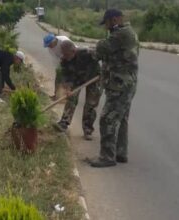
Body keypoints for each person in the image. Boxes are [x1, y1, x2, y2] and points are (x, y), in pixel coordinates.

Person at [89, 9, 139, 168]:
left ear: (116, 19)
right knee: (121, 118)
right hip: (126, 83)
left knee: (107, 118)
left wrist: (93, 49)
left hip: (120, 84)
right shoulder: (128, 32)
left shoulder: (121, 34)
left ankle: (107, 157)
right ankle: (120, 153)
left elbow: (101, 50)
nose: (106, 27)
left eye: (108, 23)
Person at [52, 40, 102, 140]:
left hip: (94, 77)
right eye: (63, 54)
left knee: (91, 104)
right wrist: (68, 88)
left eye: (67, 54)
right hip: (77, 80)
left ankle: (88, 130)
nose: (65, 56)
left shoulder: (86, 52)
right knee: (71, 99)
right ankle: (64, 123)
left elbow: (103, 55)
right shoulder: (64, 60)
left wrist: (106, 70)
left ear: (73, 51)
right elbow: (66, 76)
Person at [43, 33, 75, 99]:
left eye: (50, 44)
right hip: (62, 60)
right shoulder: (50, 49)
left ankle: (69, 96)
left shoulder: (63, 40)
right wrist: (59, 69)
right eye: (48, 45)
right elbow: (55, 59)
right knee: (58, 77)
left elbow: (73, 50)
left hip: (72, 58)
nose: (49, 46)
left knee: (71, 79)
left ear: (54, 41)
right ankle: (57, 95)